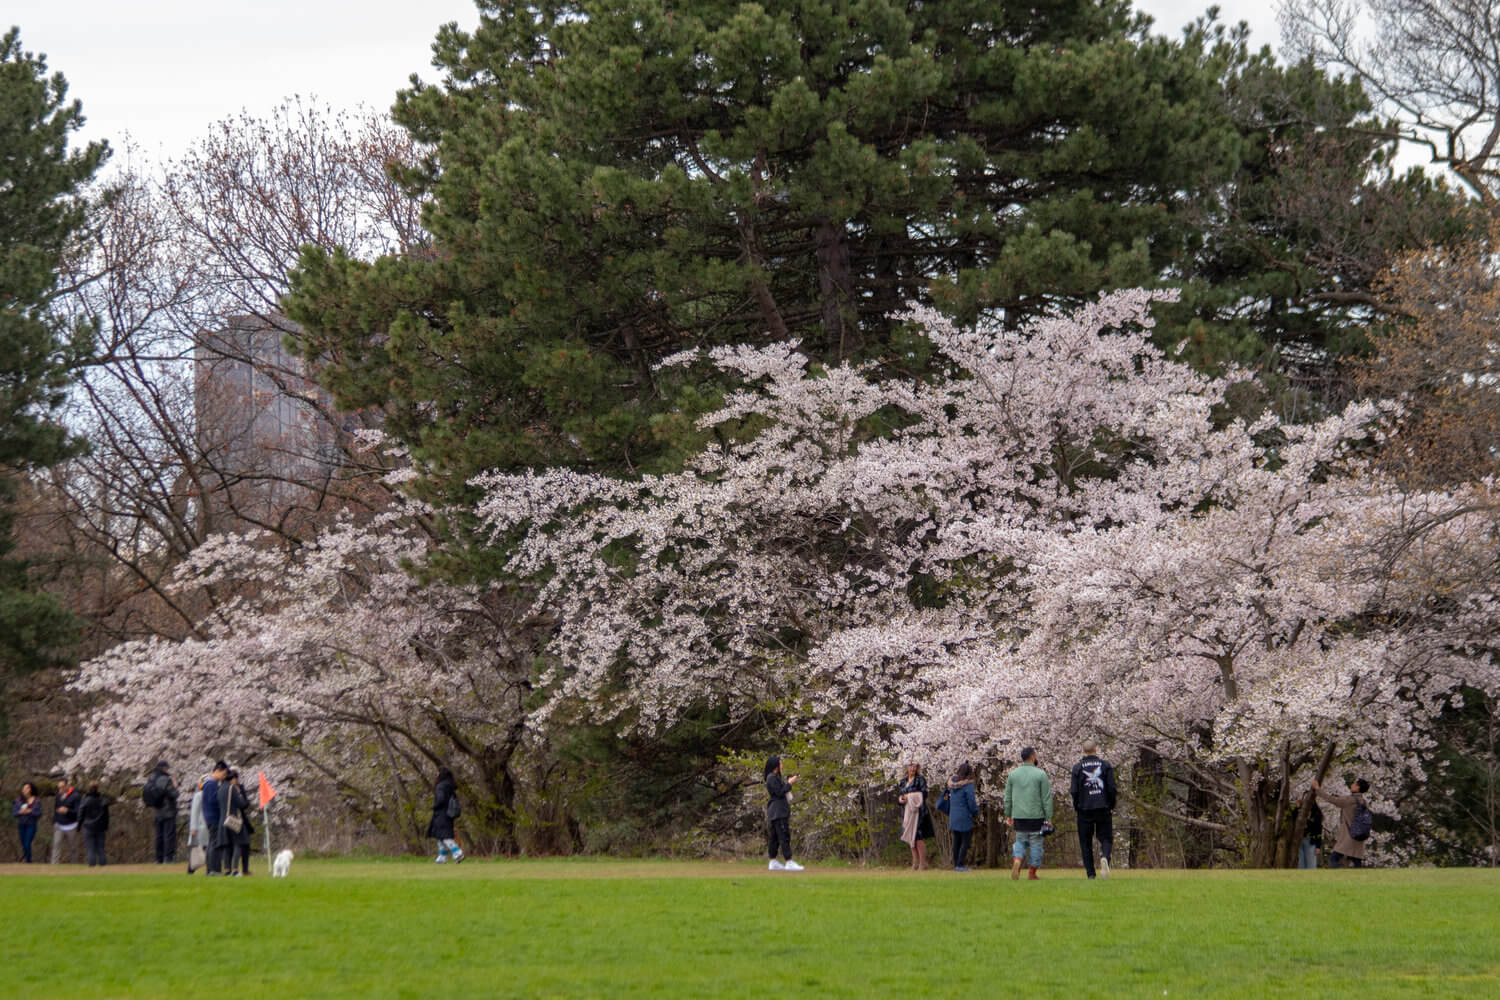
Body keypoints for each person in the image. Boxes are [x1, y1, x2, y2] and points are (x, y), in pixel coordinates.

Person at [1003, 747, 1053, 880]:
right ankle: (1032, 872)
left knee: (1020, 841)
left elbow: (1007, 797)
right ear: (1032, 757)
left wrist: (1008, 814)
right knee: (1036, 844)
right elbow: (1046, 798)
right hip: (1036, 816)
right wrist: (1048, 817)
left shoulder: (1013, 774)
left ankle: (1017, 859)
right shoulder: (1041, 774)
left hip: (1018, 815)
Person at [1069, 740, 1117, 879]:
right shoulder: (1105, 765)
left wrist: (1077, 805)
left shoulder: (1077, 768)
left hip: (1084, 809)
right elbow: (1112, 788)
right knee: (1106, 838)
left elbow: (1074, 790)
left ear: (1083, 750)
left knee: (1085, 842)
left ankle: (1090, 874)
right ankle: (1105, 857)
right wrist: (1111, 804)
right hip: (1103, 807)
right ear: (1096, 749)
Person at [1313, 777, 1370, 868]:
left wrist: (1317, 789)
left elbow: (1331, 799)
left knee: (1334, 858)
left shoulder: (1349, 800)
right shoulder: (1364, 802)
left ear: (1358, 788)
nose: (1351, 785)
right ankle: (1360, 880)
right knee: (1356, 860)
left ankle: (1337, 879)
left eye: (1354, 784)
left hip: (1349, 835)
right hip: (1360, 835)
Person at [764, 755, 803, 871]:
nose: (782, 766)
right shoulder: (771, 778)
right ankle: (789, 861)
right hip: (778, 811)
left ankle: (773, 860)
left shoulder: (774, 777)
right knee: (784, 836)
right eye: (780, 763)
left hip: (777, 811)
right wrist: (790, 784)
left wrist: (788, 782)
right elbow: (780, 792)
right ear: (775, 765)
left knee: (775, 837)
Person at [897, 762, 935, 870]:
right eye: (910, 766)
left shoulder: (920, 779)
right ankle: (915, 862)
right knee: (910, 837)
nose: (912, 768)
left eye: (914, 766)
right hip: (907, 812)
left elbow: (924, 794)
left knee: (918, 837)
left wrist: (910, 796)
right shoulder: (903, 781)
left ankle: (923, 863)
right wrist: (901, 799)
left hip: (918, 812)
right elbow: (900, 795)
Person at [428, 766, 466, 864]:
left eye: (437, 773)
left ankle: (458, 853)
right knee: (441, 836)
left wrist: (434, 806)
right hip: (449, 813)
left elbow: (440, 799)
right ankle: (442, 856)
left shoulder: (441, 786)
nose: (436, 774)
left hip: (441, 814)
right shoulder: (450, 786)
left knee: (445, 836)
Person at [947, 762, 979, 872]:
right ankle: (960, 864)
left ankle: (956, 863)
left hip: (954, 816)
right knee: (966, 841)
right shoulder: (968, 786)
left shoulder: (952, 785)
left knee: (957, 840)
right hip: (964, 816)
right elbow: (971, 801)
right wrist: (975, 812)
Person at [220, 771, 254, 876]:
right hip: (233, 819)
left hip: (223, 820)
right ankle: (235, 869)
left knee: (227, 845)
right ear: (233, 779)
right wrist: (241, 793)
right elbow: (242, 804)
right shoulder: (232, 789)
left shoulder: (220, 789)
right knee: (237, 844)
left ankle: (226, 869)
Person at [145, 761, 178, 864]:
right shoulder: (165, 779)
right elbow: (174, 794)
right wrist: (175, 785)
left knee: (159, 835)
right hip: (168, 810)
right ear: (164, 768)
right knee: (169, 834)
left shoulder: (151, 778)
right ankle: (168, 858)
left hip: (157, 810)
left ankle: (158, 858)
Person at [200, 761, 228, 876]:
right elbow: (213, 800)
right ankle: (213, 869)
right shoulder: (211, 784)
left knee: (212, 842)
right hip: (214, 817)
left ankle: (211, 869)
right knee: (214, 843)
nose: (224, 777)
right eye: (224, 774)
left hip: (209, 817)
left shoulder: (207, 783)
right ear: (217, 771)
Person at [50, 777, 82, 864]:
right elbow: (56, 809)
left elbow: (78, 811)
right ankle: (54, 864)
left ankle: (74, 864)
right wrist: (55, 821)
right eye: (59, 787)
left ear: (67, 785)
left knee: (73, 847)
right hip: (59, 824)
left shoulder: (76, 796)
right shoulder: (58, 796)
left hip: (71, 825)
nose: (60, 789)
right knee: (56, 845)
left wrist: (67, 811)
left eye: (62, 787)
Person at [79, 782, 111, 867]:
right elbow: (106, 815)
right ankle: (103, 865)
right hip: (100, 827)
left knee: (90, 848)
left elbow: (81, 814)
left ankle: (92, 865)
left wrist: (79, 825)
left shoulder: (85, 800)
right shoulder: (103, 800)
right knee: (101, 848)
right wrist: (106, 826)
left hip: (88, 826)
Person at [186, 775, 209, 874]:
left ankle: (210, 869)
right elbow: (194, 812)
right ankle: (191, 869)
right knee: (201, 849)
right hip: (201, 826)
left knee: (208, 848)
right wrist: (193, 827)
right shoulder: (199, 795)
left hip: (207, 825)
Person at [13, 782, 41, 862]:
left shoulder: (36, 801)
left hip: (31, 825)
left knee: (27, 843)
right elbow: (14, 813)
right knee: (23, 844)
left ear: (31, 789)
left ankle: (28, 861)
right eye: (24, 788)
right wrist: (20, 812)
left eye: (27, 788)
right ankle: (26, 859)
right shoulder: (18, 801)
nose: (25, 790)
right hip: (21, 825)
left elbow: (39, 813)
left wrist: (30, 811)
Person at [1298, 798, 1324, 869]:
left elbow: (1319, 831)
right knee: (1300, 865)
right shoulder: (1298, 812)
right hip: (1298, 841)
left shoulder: (1316, 815)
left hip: (1310, 841)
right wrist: (1297, 807)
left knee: (1311, 865)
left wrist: (1318, 846)